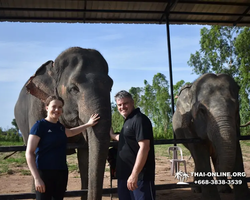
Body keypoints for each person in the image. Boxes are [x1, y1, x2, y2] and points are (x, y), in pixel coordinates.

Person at [25, 95, 100, 200]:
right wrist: (37, 178)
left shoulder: (60, 127)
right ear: (47, 107)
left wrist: (88, 124)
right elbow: (29, 153)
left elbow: (71, 132)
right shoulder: (39, 126)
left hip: (61, 172)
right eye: (54, 106)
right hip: (44, 172)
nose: (57, 110)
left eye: (60, 107)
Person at [110, 90, 155, 200]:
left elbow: (144, 147)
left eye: (125, 103)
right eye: (119, 105)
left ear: (132, 102)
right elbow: (125, 138)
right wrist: (111, 134)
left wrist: (134, 174)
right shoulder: (128, 121)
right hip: (124, 176)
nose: (122, 107)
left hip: (139, 177)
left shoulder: (139, 120)